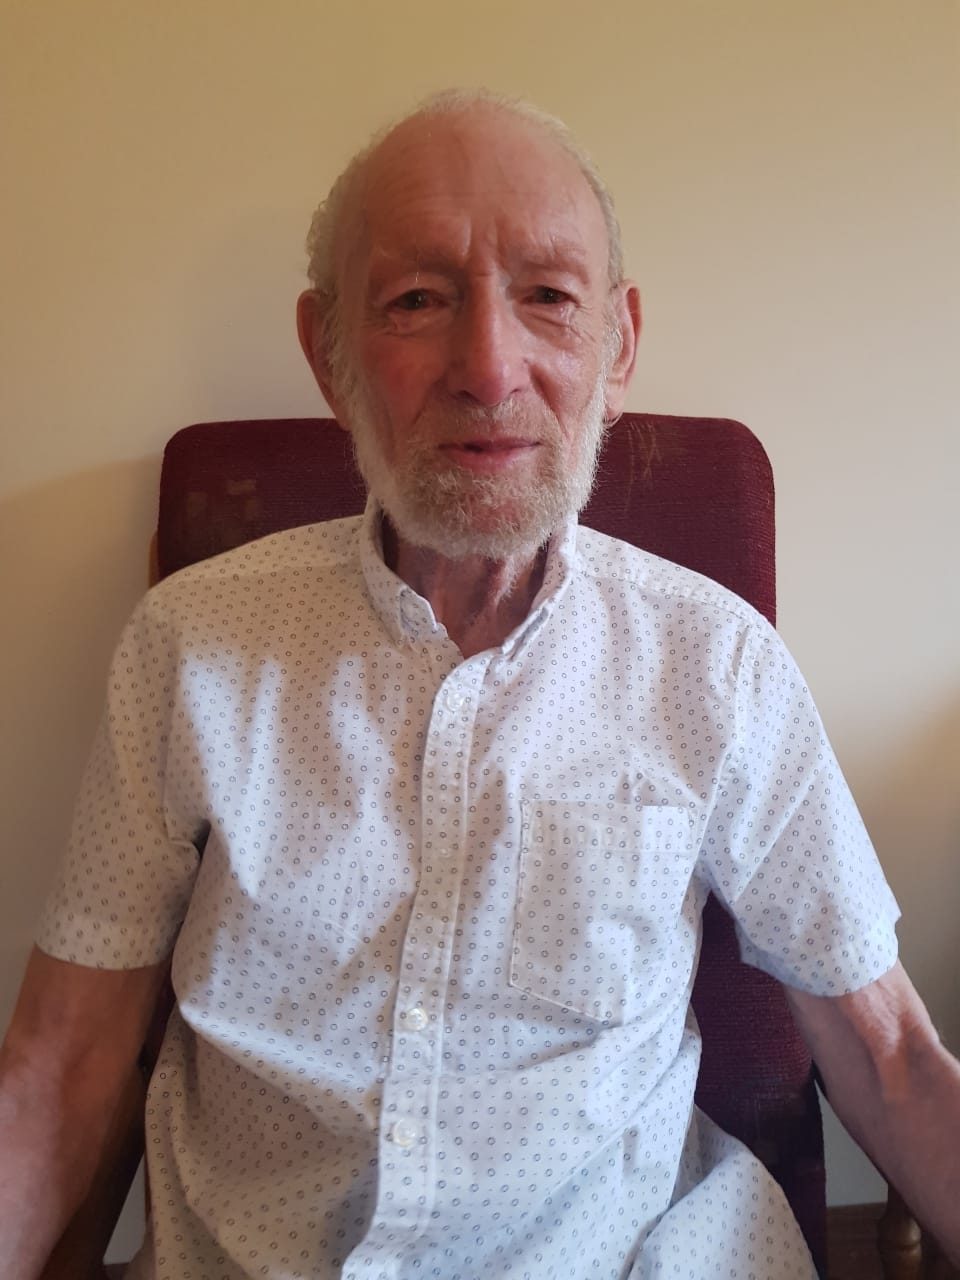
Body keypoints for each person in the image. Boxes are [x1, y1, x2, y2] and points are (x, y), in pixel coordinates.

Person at [1, 89, 958, 1280]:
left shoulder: (717, 663)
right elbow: (63, 1063)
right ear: (331, 355)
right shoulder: (186, 645)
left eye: (549, 295)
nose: (491, 367)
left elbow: (893, 1058)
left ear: (617, 347)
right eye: (417, 299)